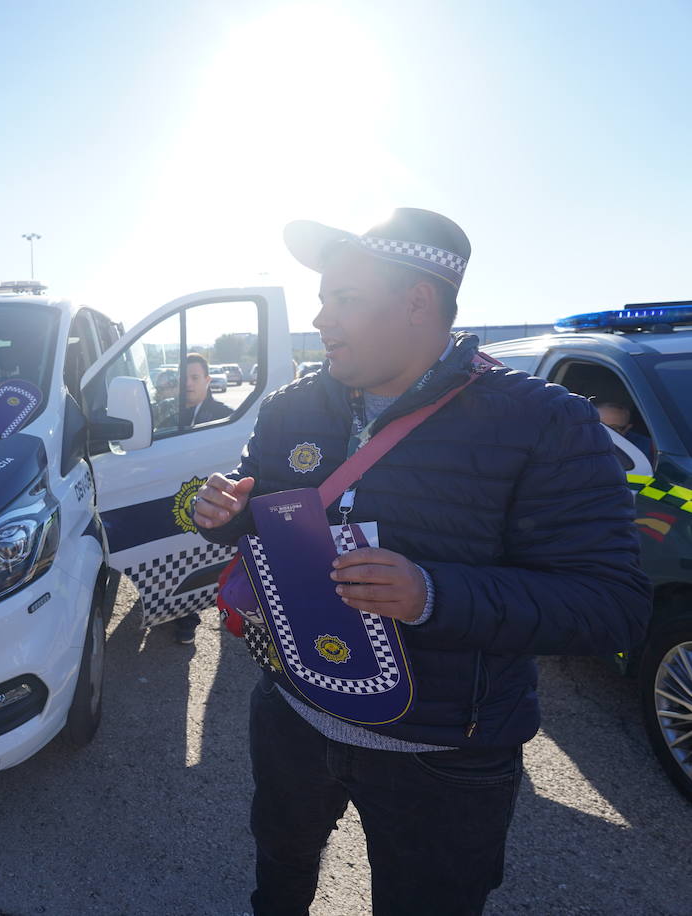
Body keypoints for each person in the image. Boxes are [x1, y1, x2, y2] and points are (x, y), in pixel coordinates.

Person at [191, 208, 650, 915]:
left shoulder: (542, 421)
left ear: (417, 303)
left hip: (445, 756)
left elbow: (610, 605)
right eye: (321, 298)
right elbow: (256, 511)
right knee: (278, 873)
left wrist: (432, 593)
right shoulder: (293, 407)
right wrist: (215, 510)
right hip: (292, 713)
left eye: (344, 299)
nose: (321, 318)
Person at [165, 353, 235, 645]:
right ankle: (167, 607)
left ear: (208, 380)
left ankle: (188, 617)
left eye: (195, 378)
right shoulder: (168, 416)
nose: (188, 384)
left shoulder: (227, 416)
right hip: (172, 498)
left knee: (195, 557)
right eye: (183, 378)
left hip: (205, 502)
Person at [594, 398, 655, 463]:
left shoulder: (645, 448)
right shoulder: (582, 439)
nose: (603, 432)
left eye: (612, 428)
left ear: (627, 429)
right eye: (598, 425)